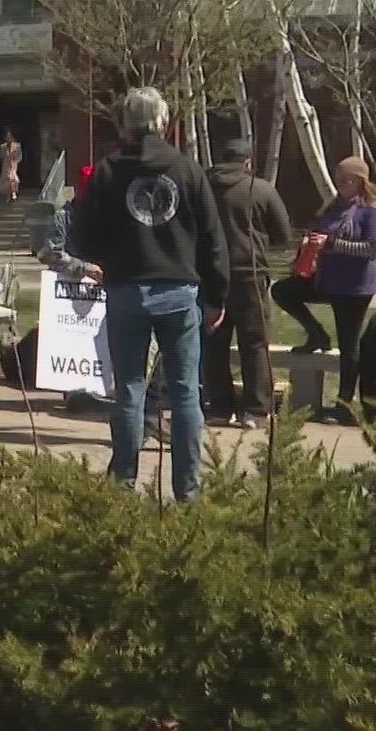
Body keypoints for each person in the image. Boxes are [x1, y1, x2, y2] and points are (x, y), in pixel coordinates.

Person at [74, 87, 229, 503]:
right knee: (184, 392)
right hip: (179, 289)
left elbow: (81, 235)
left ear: (126, 122)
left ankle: (122, 484)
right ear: (164, 121)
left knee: (129, 388)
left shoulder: (107, 171)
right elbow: (213, 237)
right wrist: (216, 293)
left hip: (126, 289)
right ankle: (188, 491)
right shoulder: (187, 169)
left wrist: (107, 254)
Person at [271, 156, 376, 421]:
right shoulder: (333, 207)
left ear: (361, 181)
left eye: (347, 180)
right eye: (339, 180)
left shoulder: (373, 210)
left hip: (354, 288)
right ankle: (316, 335)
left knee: (349, 345)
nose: (342, 185)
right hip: (327, 280)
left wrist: (332, 244)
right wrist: (309, 242)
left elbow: (373, 249)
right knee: (283, 291)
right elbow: (318, 229)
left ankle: (344, 405)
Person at [203, 139, 293, 430]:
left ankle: (219, 406)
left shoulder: (202, 186)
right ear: (247, 162)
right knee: (254, 342)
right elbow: (283, 233)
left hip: (210, 274)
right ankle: (255, 410)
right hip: (249, 274)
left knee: (214, 342)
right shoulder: (260, 189)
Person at [0, 130, 23, 201]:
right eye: (6, 137)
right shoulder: (3, 146)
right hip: (6, 164)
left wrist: (15, 161)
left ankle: (13, 193)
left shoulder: (17, 146)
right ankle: (9, 195)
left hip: (13, 164)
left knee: (12, 179)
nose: (8, 138)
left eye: (9, 137)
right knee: (6, 179)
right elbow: (1, 155)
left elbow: (19, 156)